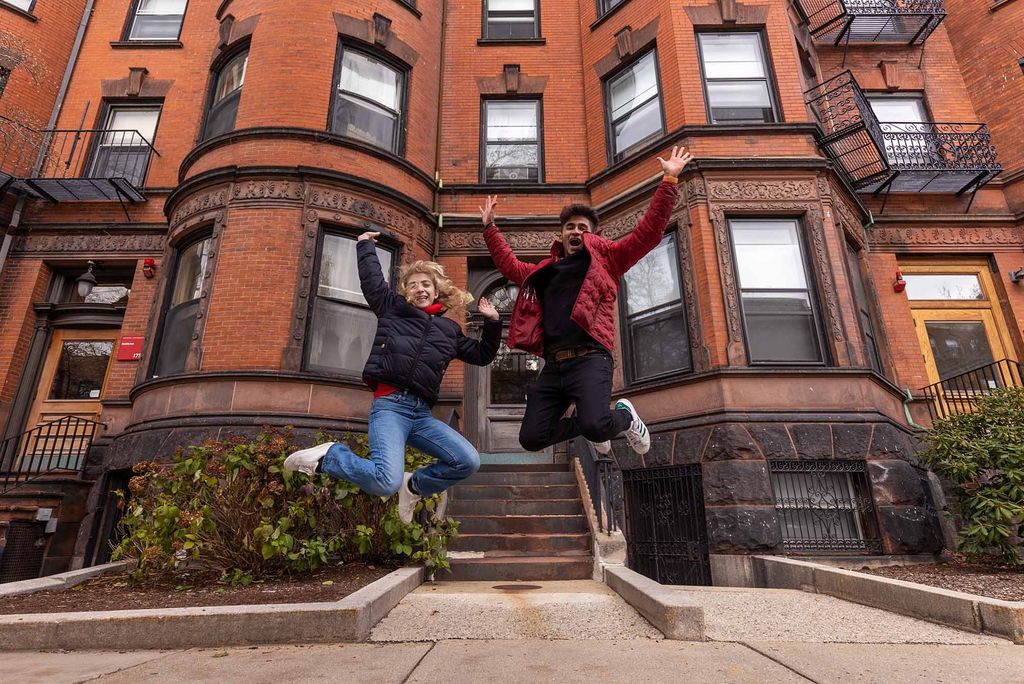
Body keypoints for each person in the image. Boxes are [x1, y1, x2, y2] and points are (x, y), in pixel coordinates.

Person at [479, 145, 693, 456]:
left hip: (591, 358)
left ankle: (625, 417)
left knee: (596, 425)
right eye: (569, 227)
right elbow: (510, 266)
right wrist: (489, 228)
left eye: (583, 227)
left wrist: (669, 182)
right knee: (532, 437)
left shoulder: (609, 259)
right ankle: (596, 422)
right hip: (553, 365)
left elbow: (647, 234)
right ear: (561, 235)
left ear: (593, 234)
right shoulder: (545, 271)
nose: (575, 231)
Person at [284, 231, 502, 524]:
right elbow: (373, 283)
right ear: (406, 292)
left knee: (468, 460)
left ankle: (413, 486)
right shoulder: (393, 309)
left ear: (437, 291)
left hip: (421, 414)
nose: (421, 290)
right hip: (390, 407)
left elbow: (482, 355)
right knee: (385, 480)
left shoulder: (450, 331)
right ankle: (330, 457)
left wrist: (494, 323)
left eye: (426, 285)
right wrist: (364, 247)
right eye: (413, 286)